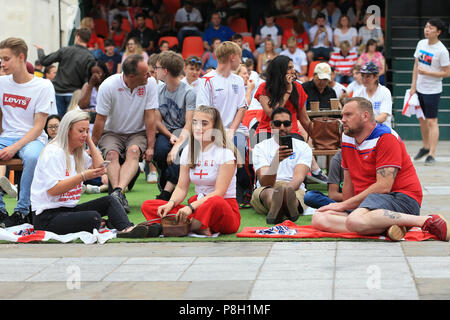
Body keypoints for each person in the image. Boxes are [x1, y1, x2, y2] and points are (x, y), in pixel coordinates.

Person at [311, 97, 450, 242]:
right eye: (342, 115)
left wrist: (342, 206)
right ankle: (388, 227)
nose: (343, 120)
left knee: (354, 221)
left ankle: (425, 221)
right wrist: (347, 207)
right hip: (369, 203)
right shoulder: (347, 138)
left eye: (348, 115)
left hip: (401, 198)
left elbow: (383, 187)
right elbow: (348, 180)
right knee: (318, 218)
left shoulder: (386, 137)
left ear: (365, 116)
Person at [30, 109, 151, 238]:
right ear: (67, 130)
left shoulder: (77, 152)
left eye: (87, 131)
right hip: (46, 217)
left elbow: (101, 167)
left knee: (110, 200)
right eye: (81, 131)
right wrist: (83, 176)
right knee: (94, 218)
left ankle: (127, 229)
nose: (84, 134)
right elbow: (53, 190)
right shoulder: (53, 152)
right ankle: (108, 224)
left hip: (68, 210)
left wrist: (90, 141)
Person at [141, 105, 241, 237]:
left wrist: (192, 207)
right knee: (149, 205)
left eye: (204, 123)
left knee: (215, 201)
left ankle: (180, 226)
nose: (198, 127)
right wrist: (170, 204)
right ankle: (194, 225)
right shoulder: (189, 150)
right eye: (195, 123)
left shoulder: (225, 154)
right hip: (198, 207)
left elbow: (219, 193)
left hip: (222, 209)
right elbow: (181, 188)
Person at [92, 54, 159, 213]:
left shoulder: (150, 84)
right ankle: (118, 194)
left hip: (137, 132)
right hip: (112, 132)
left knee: (134, 151)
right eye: (145, 73)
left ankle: (117, 193)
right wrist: (92, 145)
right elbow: (100, 120)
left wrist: (150, 147)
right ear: (131, 76)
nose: (149, 75)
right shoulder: (108, 86)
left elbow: (150, 116)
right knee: (112, 155)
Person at [0, 37, 55, 228]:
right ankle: (0, 210)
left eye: (6, 59)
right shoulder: (1, 83)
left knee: (32, 158)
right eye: (1, 59)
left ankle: (22, 211)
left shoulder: (43, 85)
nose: (2, 63)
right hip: (6, 137)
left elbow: (39, 127)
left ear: (21, 57)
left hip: (33, 138)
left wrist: (14, 147)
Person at [254, 55, 327, 184]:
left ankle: (299, 180)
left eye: (293, 67)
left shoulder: (298, 88)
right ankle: (262, 183)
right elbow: (273, 113)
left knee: (295, 142)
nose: (293, 71)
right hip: (267, 129)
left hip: (290, 130)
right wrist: (287, 91)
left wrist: (319, 138)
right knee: (263, 144)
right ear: (280, 70)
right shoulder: (264, 88)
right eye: (289, 68)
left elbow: (304, 120)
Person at [195, 41, 251, 207]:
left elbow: (241, 108)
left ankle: (241, 192)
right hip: (211, 131)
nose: (241, 61)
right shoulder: (207, 80)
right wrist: (219, 133)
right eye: (239, 57)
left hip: (235, 129)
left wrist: (231, 130)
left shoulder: (238, 81)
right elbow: (204, 112)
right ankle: (214, 193)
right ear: (232, 57)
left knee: (238, 149)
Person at [251, 107, 312, 224]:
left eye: (286, 124)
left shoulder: (303, 147)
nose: (282, 128)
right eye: (278, 124)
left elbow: (298, 179)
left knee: (294, 195)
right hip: (268, 187)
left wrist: (284, 191)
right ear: (271, 125)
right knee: (270, 192)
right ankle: (285, 209)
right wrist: (276, 161)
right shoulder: (260, 147)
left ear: (292, 125)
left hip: (293, 188)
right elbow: (265, 183)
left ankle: (280, 209)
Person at [153, 51, 196, 201]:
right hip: (167, 131)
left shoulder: (189, 93)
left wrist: (177, 145)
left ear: (165, 71)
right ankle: (164, 178)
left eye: (157, 67)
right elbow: (157, 121)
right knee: (160, 151)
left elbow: (189, 123)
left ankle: (166, 193)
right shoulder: (158, 90)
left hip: (185, 131)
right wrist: (170, 135)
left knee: (179, 154)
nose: (155, 70)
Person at [410, 18, 450, 165]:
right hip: (419, 88)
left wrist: (428, 73)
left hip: (433, 90)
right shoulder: (421, 43)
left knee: (432, 121)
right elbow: (416, 65)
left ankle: (432, 153)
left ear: (438, 32)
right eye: (426, 27)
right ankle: (425, 147)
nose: (427, 30)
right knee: (422, 119)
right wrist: (413, 86)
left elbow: (447, 73)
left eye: (431, 28)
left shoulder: (442, 51)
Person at [35, 28, 95, 117]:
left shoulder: (65, 50)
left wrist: (40, 50)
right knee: (71, 123)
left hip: (58, 92)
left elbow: (44, 61)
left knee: (57, 123)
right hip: (75, 94)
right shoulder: (89, 57)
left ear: (77, 37)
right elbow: (87, 79)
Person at [353, 62, 392, 128]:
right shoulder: (358, 92)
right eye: (363, 76)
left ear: (376, 77)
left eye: (368, 76)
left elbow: (383, 116)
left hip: (381, 129)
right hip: (363, 129)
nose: (364, 79)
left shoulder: (385, 92)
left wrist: (366, 122)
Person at [78, 60, 111, 129]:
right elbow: (82, 105)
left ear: (104, 73)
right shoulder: (87, 86)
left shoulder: (109, 85)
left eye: (98, 73)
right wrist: (91, 85)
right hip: (89, 118)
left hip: (104, 117)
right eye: (93, 73)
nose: (95, 76)